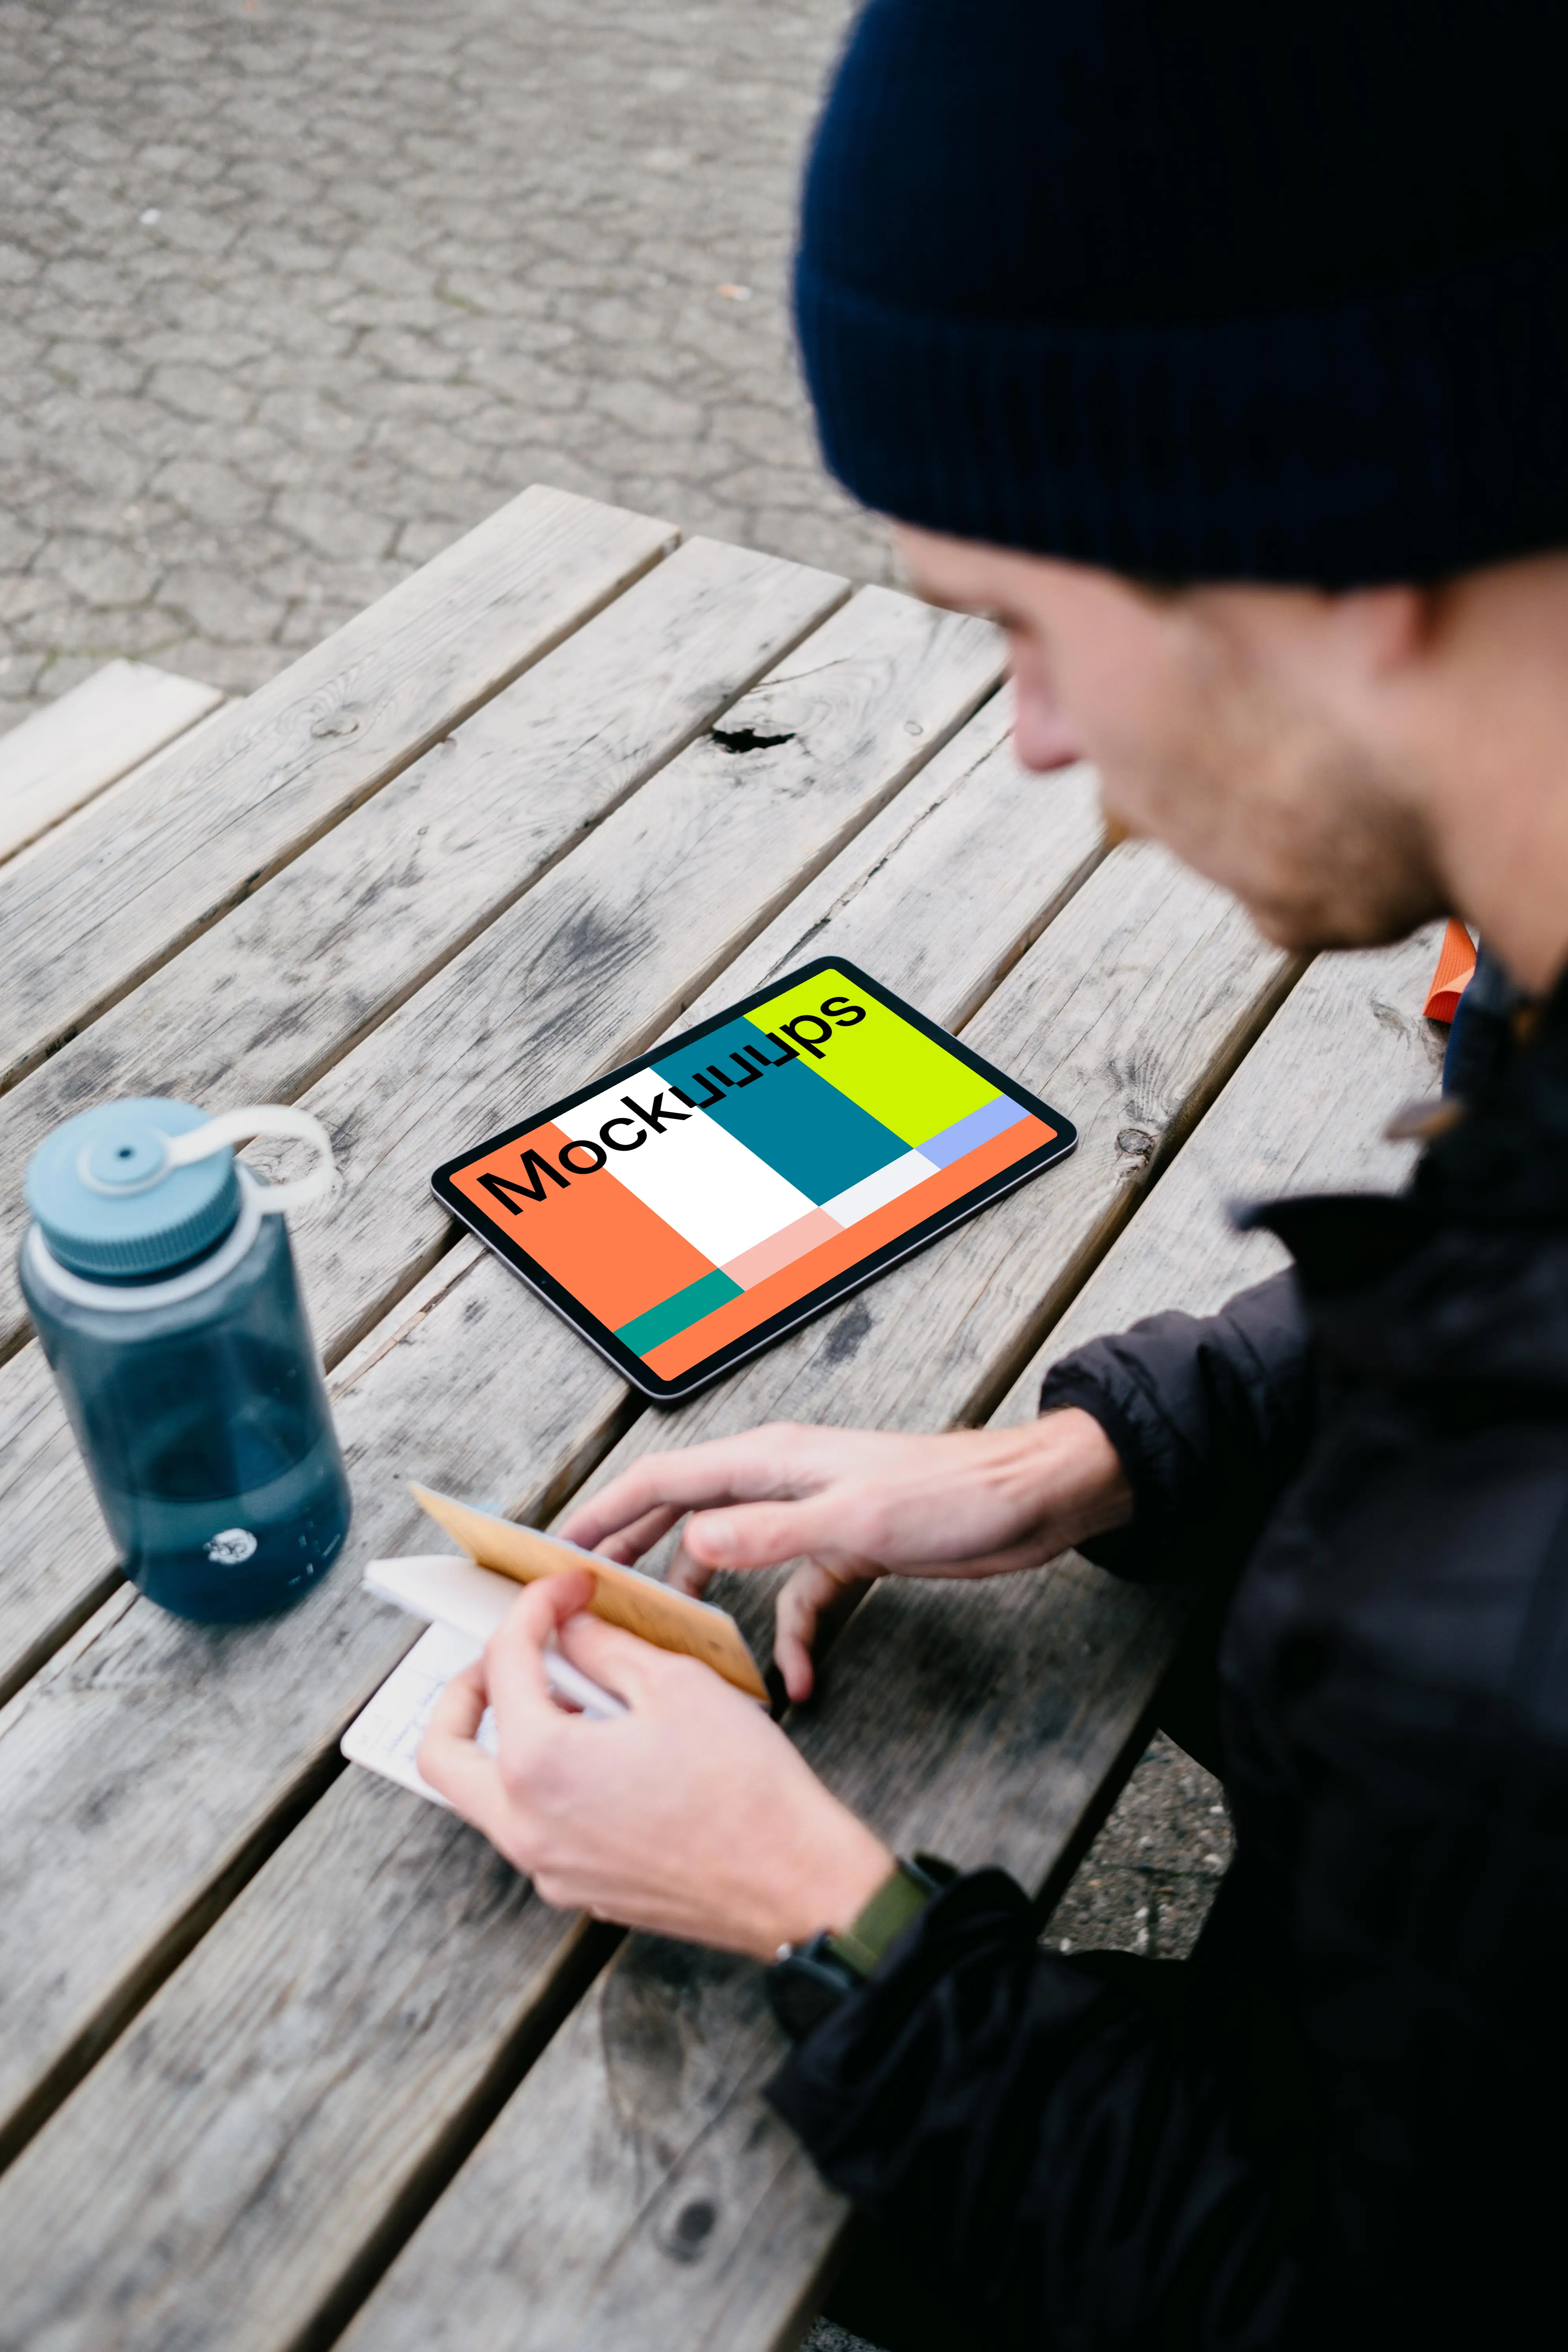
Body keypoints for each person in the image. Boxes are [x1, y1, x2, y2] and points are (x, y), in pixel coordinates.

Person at [419, 2, 1568, 2342]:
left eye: (1029, 619)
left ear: (1331, 507)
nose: (1036, 735)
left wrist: (826, 1916)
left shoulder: (1510, 1661)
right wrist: (1086, 1451)